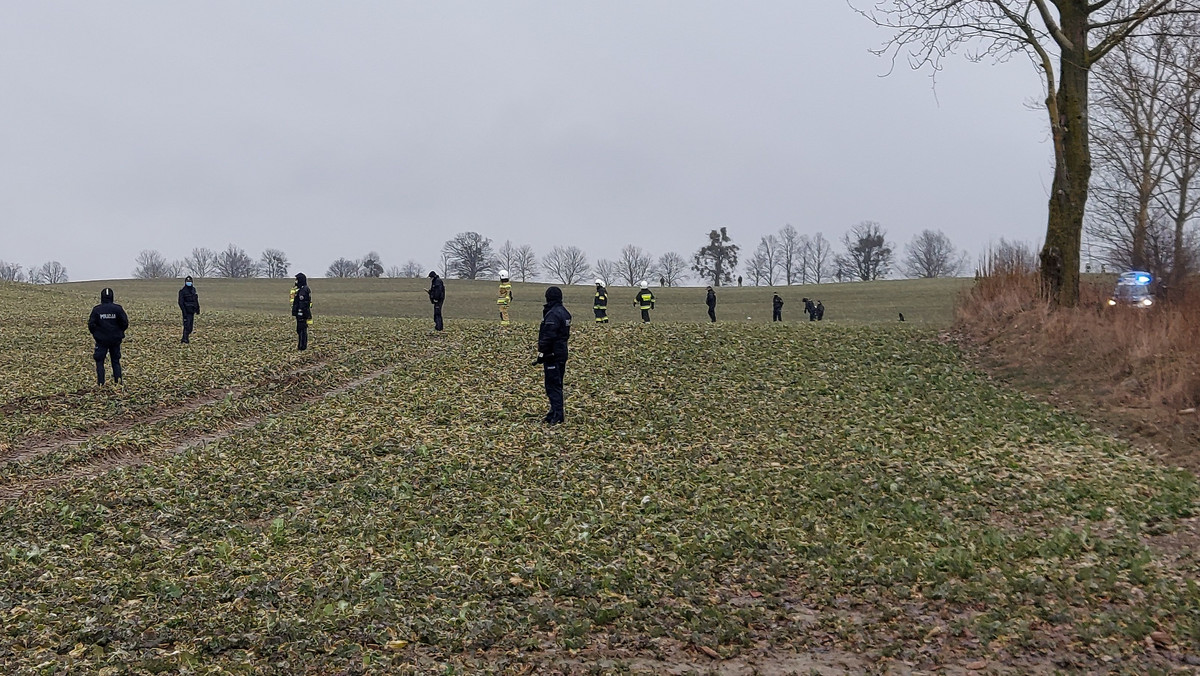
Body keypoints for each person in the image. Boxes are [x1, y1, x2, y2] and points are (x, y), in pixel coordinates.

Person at [536, 286, 571, 425]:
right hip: (562, 352)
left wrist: (541, 352)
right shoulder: (565, 313)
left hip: (553, 354)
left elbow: (548, 336)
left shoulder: (553, 315)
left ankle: (557, 415)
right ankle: (554, 412)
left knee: (553, 385)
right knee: (557, 383)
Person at [88, 287, 129, 386]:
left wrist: (97, 334)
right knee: (115, 360)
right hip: (115, 339)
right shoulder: (118, 309)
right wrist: (119, 332)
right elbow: (125, 323)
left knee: (99, 361)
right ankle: (118, 383)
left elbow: (91, 324)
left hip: (101, 340)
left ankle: (101, 383)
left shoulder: (97, 309)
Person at [292, 273, 312, 350]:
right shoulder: (302, 289)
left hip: (302, 314)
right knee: (300, 330)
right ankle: (301, 346)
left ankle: (302, 347)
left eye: (297, 280)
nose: (295, 282)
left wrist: (300, 313)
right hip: (302, 313)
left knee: (302, 330)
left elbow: (302, 303)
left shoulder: (303, 290)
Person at [177, 275, 200, 343]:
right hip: (186, 311)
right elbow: (180, 302)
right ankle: (185, 339)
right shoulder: (182, 291)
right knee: (186, 325)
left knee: (190, 327)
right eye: (187, 281)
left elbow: (195, 300)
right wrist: (184, 311)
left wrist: (197, 309)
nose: (189, 282)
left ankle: (185, 338)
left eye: (190, 281)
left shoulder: (193, 290)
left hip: (192, 311)